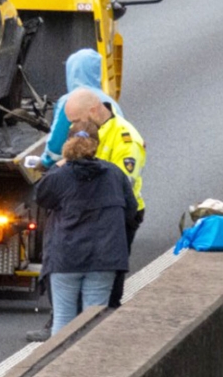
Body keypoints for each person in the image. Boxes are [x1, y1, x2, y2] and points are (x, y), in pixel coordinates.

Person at [26, 49, 127, 342]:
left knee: (63, 320)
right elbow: (129, 206)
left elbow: (55, 146)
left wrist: (48, 163)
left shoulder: (68, 103)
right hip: (106, 248)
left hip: (68, 253)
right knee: (94, 319)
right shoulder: (112, 107)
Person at [34, 121, 137, 336]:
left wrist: (58, 166)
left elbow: (41, 197)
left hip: (66, 257)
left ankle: (61, 367)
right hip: (104, 257)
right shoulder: (114, 174)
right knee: (93, 322)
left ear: (68, 143)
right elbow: (131, 211)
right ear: (97, 144)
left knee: (62, 319)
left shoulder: (59, 176)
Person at [64, 88, 146, 309]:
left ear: (93, 110)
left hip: (118, 211)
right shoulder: (85, 130)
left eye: (76, 119)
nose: (72, 126)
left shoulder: (124, 137)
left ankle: (108, 317)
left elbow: (122, 183)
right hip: (92, 209)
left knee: (111, 273)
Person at [40, 48, 123, 169]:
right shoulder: (111, 103)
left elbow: (56, 146)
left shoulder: (69, 102)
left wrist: (44, 163)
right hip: (110, 171)